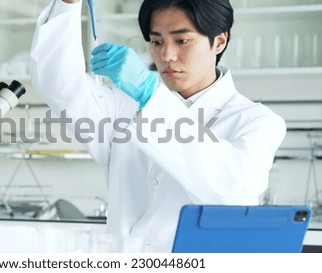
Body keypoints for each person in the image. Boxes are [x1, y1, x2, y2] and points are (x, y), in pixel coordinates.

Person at [30, 0, 286, 252]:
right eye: (157, 41)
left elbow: (232, 191)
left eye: (181, 40)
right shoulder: (123, 106)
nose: (166, 56)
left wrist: (151, 95)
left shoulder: (257, 122)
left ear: (219, 41)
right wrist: (67, 3)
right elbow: (61, 87)